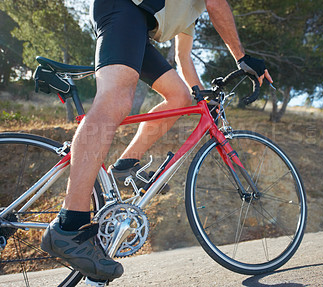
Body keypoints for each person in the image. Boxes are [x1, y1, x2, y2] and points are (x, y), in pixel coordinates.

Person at [41, 0, 273, 282]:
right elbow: (217, 3)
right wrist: (242, 57)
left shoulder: (189, 10)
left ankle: (125, 164)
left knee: (179, 97)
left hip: (138, 25)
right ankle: (69, 227)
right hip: (125, 9)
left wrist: (200, 96)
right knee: (114, 100)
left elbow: (184, 58)